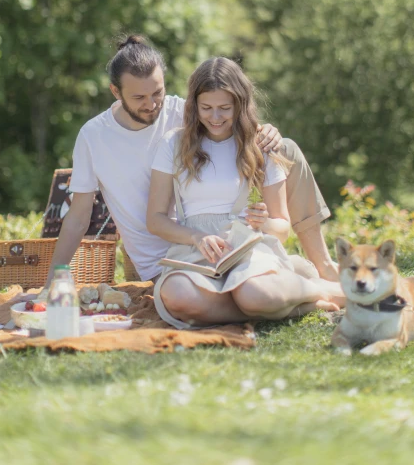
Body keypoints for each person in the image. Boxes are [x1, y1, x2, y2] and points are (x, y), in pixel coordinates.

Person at [42, 35, 283, 288]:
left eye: (158, 92)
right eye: (139, 98)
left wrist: (266, 131)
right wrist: (52, 281)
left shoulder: (183, 113)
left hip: (213, 246)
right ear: (115, 91)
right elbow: (79, 217)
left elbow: (230, 122)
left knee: (289, 152)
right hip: (160, 261)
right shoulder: (93, 136)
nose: (152, 104)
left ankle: (319, 264)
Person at [147, 57, 343, 329]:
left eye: (224, 108)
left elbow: (282, 228)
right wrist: (195, 237)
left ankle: (319, 290)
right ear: (194, 105)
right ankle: (289, 305)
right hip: (195, 249)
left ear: (240, 104)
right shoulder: (174, 143)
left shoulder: (260, 145)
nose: (215, 118)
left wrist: (263, 224)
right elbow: (155, 219)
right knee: (179, 297)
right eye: (207, 108)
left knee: (253, 293)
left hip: (248, 248)